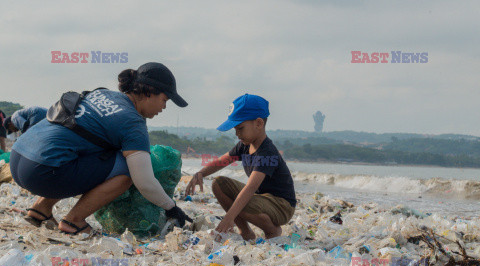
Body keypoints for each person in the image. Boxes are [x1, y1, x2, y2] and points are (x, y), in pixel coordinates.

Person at [10, 62, 192, 235]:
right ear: (149, 92)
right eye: (165, 100)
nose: (164, 107)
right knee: (127, 169)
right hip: (43, 173)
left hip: (18, 158)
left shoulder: (101, 94)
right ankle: (74, 221)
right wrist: (171, 207)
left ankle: (40, 209)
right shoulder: (133, 122)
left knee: (92, 151)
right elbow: (144, 181)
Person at [186, 94, 297, 240]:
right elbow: (221, 162)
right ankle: (245, 232)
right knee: (219, 183)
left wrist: (228, 219)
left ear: (258, 123)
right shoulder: (244, 145)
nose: (237, 134)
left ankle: (272, 230)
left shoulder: (267, 152)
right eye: (235, 130)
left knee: (242, 201)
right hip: (262, 199)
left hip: (282, 206)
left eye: (240, 128)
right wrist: (200, 173)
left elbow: (250, 187)